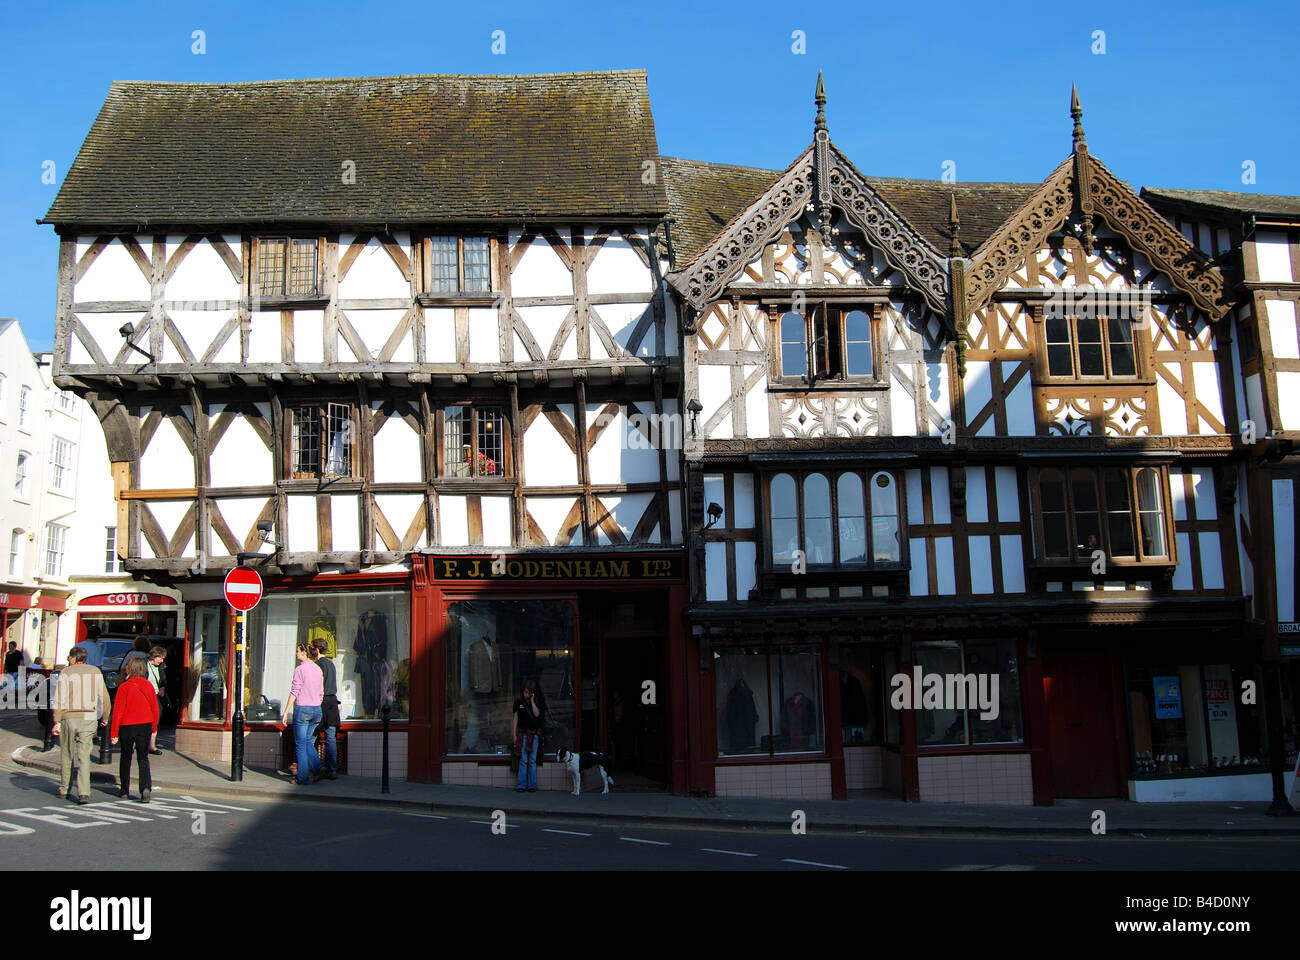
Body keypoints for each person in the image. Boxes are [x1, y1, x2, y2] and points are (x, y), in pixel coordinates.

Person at [52, 645, 110, 804]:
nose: (68, 660)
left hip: (69, 717)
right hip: (89, 716)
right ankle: (84, 792)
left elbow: (59, 699)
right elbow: (103, 696)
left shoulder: (66, 672)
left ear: (73, 658)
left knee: (67, 754)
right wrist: (105, 716)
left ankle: (64, 789)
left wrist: (56, 720)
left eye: (69, 658)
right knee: (84, 756)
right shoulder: (95, 672)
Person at [110, 656, 158, 802]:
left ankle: (124, 790)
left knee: (126, 757)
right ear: (143, 669)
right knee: (143, 757)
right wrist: (154, 727)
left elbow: (118, 711)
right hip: (145, 724)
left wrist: (114, 733)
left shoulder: (124, 687)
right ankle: (145, 788)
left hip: (127, 725)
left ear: (129, 669)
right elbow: (154, 709)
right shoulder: (148, 685)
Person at [282, 640, 323, 785]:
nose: (296, 653)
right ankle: (317, 767)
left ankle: (303, 777)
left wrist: (286, 711)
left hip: (303, 709)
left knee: (300, 744)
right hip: (316, 709)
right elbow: (320, 692)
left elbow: (294, 691)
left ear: (304, 653)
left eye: (298, 651)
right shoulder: (318, 669)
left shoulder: (300, 670)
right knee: (306, 741)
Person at [312, 637, 340, 780]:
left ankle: (317, 767)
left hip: (321, 701)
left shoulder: (317, 665)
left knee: (311, 737)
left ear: (316, 650)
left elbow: (317, 686)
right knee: (331, 738)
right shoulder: (331, 664)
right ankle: (332, 769)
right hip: (332, 702)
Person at [512, 679, 543, 793]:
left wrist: (533, 700)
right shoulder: (518, 702)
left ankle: (532, 785)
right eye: (525, 692)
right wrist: (514, 734)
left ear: (532, 693)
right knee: (523, 760)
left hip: (533, 734)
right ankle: (521, 785)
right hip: (523, 734)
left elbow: (537, 714)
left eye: (528, 692)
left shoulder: (536, 701)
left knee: (532, 760)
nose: (526, 694)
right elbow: (515, 719)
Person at [146, 646, 168, 754]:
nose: (162, 660)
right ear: (154, 656)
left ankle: (152, 746)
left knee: (156, 718)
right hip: (145, 696)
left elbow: (163, 679)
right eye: (160, 658)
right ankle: (135, 744)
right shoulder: (144, 665)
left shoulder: (161, 667)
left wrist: (162, 687)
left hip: (155, 695)